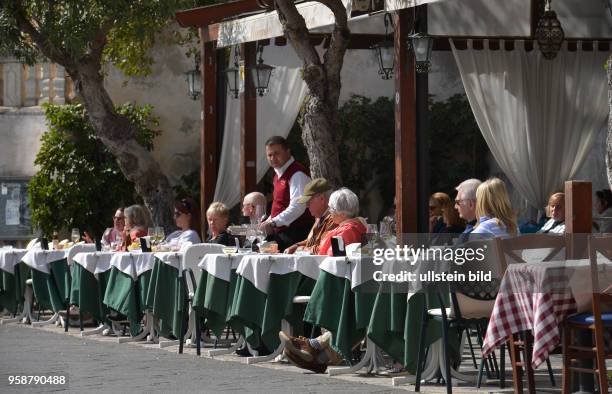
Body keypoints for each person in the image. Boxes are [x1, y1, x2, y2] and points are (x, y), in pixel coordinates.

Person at [258, 136, 314, 251]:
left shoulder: (297, 174)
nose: (273, 158)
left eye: (276, 153)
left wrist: (273, 223)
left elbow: (298, 207)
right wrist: (267, 222)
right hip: (283, 233)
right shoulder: (278, 175)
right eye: (269, 155)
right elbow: (280, 205)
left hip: (296, 233)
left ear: (288, 152)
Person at [283, 178, 337, 255]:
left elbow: (321, 248)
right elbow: (310, 241)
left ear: (322, 198)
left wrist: (299, 249)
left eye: (309, 201)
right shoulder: (319, 217)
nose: (307, 205)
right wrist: (296, 246)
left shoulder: (334, 218)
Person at [318, 188, 367, 256]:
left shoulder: (346, 230)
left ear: (343, 213)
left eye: (332, 208)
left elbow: (334, 257)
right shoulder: (357, 225)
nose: (329, 211)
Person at [454, 178, 482, 243]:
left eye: (457, 202)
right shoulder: (497, 225)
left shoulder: (471, 235)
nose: (455, 207)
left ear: (471, 204)